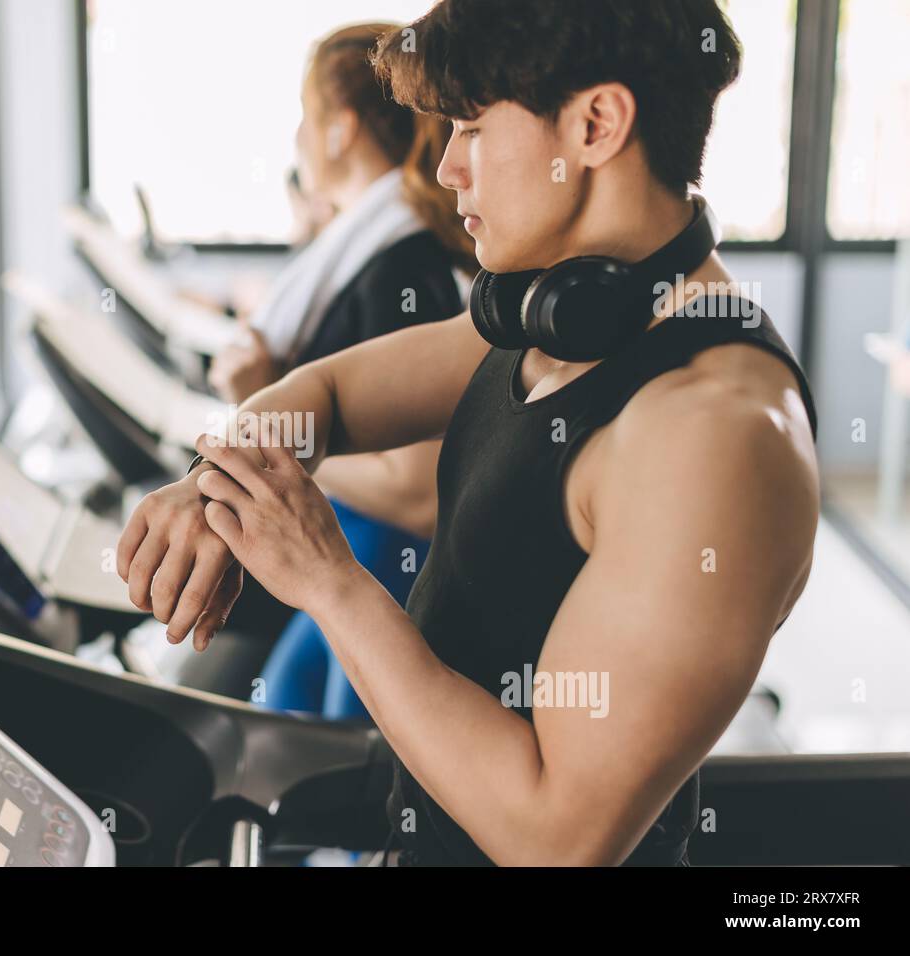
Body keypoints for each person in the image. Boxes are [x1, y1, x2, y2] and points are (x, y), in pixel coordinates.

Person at [117, 0, 821, 866]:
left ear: (597, 124)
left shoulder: (716, 438)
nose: (447, 168)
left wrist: (329, 580)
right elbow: (326, 392)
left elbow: (556, 835)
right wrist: (213, 479)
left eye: (471, 128)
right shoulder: (557, 315)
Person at [202, 22, 477, 720]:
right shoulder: (367, 248)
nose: (297, 139)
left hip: (382, 563)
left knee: (338, 783)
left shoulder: (401, 265)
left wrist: (263, 434)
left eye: (306, 117)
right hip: (353, 550)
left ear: (340, 130)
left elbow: (416, 491)